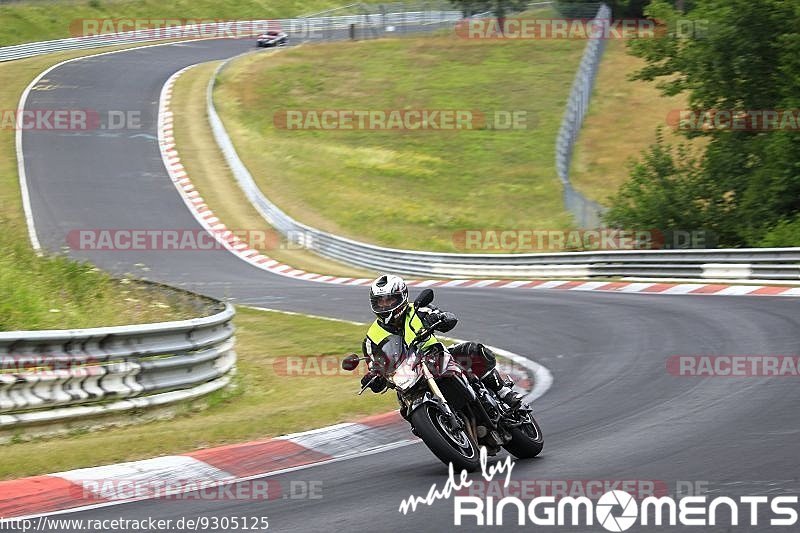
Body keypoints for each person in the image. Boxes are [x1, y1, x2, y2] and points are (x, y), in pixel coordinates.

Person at [360, 274, 522, 408]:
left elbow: (448, 319)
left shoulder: (418, 309)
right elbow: (375, 366)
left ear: (402, 297)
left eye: (389, 300)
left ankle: (502, 391)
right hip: (408, 377)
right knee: (405, 408)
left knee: (473, 351)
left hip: (436, 357)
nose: (385, 305)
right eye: (380, 301)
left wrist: (439, 318)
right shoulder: (371, 339)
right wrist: (374, 378)